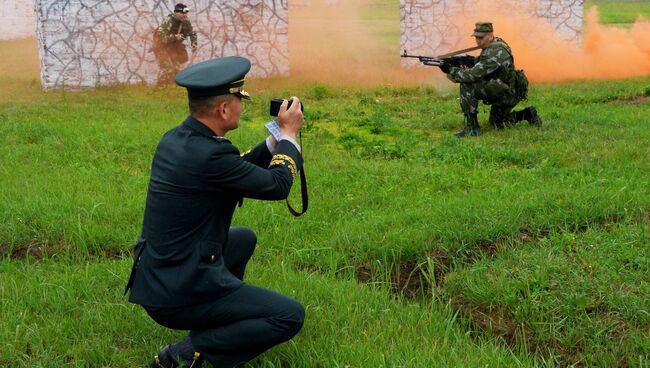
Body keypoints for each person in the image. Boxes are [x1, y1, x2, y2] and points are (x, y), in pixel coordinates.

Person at [124, 56, 306, 368]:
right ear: (223, 109)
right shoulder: (210, 156)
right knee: (289, 315)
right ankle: (189, 350)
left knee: (242, 239)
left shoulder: (177, 140)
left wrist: (274, 140)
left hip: (159, 275)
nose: (242, 106)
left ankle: (220, 320)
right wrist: (289, 135)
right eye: (239, 100)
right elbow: (277, 185)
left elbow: (233, 170)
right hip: (178, 293)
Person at [441, 22, 542, 137]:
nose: (478, 41)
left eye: (481, 37)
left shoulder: (495, 51)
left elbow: (472, 75)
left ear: (490, 35)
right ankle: (527, 114)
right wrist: (469, 60)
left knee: (467, 85)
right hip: (505, 89)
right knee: (497, 123)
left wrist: (450, 70)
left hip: (505, 94)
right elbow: (487, 64)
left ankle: (472, 128)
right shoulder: (496, 43)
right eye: (476, 37)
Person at [153, 3, 198, 84]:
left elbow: (192, 33)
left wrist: (194, 43)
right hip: (160, 48)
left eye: (185, 13)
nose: (184, 15)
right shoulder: (168, 21)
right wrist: (174, 37)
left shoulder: (186, 22)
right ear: (175, 13)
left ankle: (173, 89)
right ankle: (158, 90)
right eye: (181, 13)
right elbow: (161, 38)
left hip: (173, 48)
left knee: (177, 71)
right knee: (168, 70)